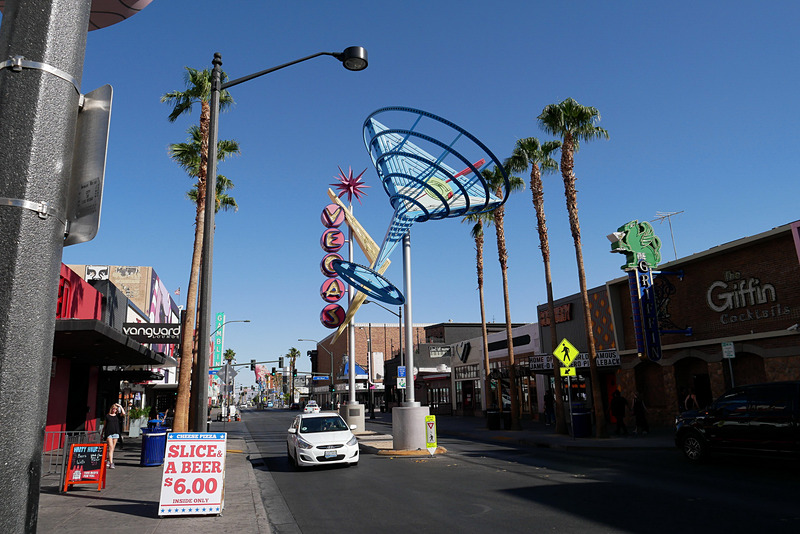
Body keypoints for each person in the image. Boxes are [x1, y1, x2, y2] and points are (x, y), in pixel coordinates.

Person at [102, 403, 125, 469]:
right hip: (109, 433)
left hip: (116, 433)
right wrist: (102, 433)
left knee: (112, 448)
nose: (114, 410)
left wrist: (120, 406)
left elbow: (123, 413)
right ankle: (111, 463)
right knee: (111, 447)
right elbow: (105, 425)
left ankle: (109, 460)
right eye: (113, 408)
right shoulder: (107, 416)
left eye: (115, 409)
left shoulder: (117, 416)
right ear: (111, 409)